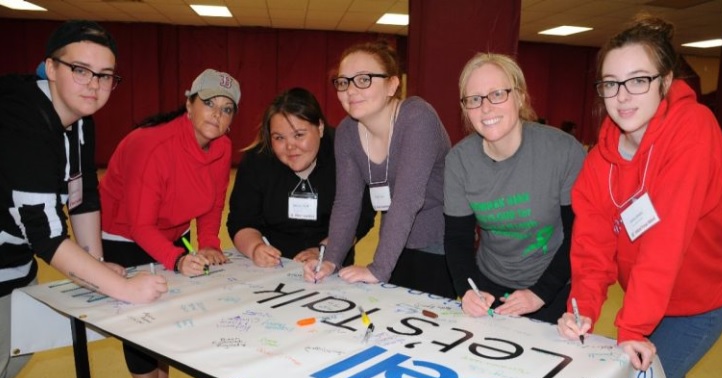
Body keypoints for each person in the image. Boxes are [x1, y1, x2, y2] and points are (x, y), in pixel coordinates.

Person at [556, 16, 722, 378]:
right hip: (651, 304)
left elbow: (666, 241)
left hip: (700, 302)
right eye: (611, 83)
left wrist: (630, 328)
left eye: (638, 79)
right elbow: (592, 248)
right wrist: (583, 308)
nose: (623, 94)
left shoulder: (692, 130)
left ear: (666, 83)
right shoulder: (600, 162)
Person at [0, 20, 167, 378]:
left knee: (17, 350)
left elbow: (81, 194)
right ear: (50, 68)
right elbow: (45, 233)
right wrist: (125, 289)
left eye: (106, 75)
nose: (94, 84)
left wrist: (99, 263)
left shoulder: (80, 120)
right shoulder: (20, 116)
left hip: (11, 260)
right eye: (80, 70)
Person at [99, 68, 240, 378]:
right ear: (188, 102)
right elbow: (140, 224)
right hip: (123, 234)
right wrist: (177, 259)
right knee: (143, 321)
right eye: (209, 103)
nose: (217, 114)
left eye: (227, 109)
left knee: (170, 312)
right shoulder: (153, 146)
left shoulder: (222, 147)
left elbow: (212, 204)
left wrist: (207, 242)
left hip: (168, 231)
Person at [303, 41, 454, 299]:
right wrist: (332, 259)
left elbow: (407, 199)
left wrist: (379, 268)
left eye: (364, 79)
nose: (351, 90)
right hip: (394, 239)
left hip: (438, 241)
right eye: (343, 82)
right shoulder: (347, 132)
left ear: (392, 85)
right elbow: (347, 203)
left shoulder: (418, 117)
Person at [445, 53, 586, 323]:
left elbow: (579, 236)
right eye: (474, 99)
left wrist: (539, 293)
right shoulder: (459, 161)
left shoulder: (563, 151)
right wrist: (467, 289)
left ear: (520, 96)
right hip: (488, 284)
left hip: (552, 286)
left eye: (497, 94)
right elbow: (457, 239)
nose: (485, 108)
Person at [227, 87, 375, 269]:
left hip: (331, 262)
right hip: (271, 267)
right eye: (279, 138)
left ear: (320, 128)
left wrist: (327, 250)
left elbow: (363, 214)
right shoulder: (257, 160)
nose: (290, 147)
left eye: (299, 135)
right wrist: (255, 248)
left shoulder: (345, 153)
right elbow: (241, 220)